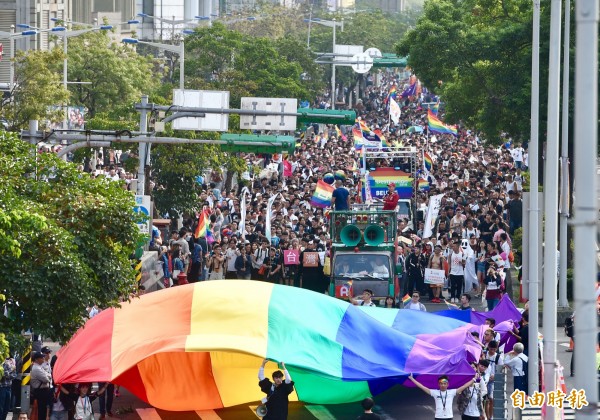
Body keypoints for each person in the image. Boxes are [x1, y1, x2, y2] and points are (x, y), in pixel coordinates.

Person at [408, 372, 477, 420]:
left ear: (448, 384)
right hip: (438, 417)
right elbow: (422, 387)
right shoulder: (435, 392)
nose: (443, 385)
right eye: (441, 383)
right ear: (438, 384)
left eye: (445, 383)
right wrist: (412, 379)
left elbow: (464, 386)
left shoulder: (452, 392)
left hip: (449, 417)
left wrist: (474, 379)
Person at [30, 352, 52, 420]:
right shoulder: (36, 368)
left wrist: (48, 376)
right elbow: (46, 379)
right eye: (41, 357)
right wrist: (48, 376)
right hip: (40, 392)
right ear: (36, 359)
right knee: (41, 412)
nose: (43, 358)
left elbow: (49, 375)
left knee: (44, 411)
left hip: (43, 392)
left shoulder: (39, 367)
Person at [0, 354, 16, 420]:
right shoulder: (2, 363)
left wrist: (9, 372)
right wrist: (11, 370)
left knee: (7, 407)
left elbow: (14, 375)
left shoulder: (10, 362)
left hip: (8, 387)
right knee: (1, 407)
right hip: (2, 387)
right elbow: (3, 374)